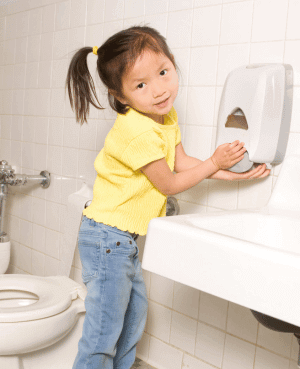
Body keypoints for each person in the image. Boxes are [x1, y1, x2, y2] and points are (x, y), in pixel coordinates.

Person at [65, 25, 270, 369]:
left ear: (173, 63)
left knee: (132, 321)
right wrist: (214, 163)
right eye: (141, 85)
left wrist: (234, 173)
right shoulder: (136, 130)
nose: (159, 90)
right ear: (121, 96)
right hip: (105, 238)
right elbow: (170, 184)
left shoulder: (164, 116)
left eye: (163, 73)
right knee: (102, 334)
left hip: (121, 240)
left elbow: (183, 162)